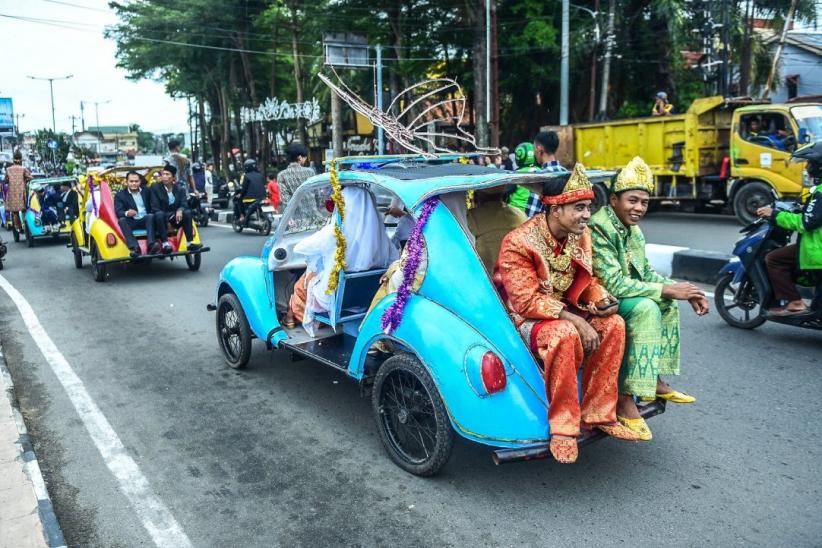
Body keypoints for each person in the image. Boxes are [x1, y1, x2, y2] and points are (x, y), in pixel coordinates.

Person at [496, 163, 641, 464]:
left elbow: (589, 281)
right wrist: (574, 319)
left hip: (568, 311)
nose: (587, 215)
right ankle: (563, 427)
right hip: (527, 320)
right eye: (579, 208)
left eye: (588, 207)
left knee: (614, 323)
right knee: (564, 333)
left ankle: (599, 412)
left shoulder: (580, 235)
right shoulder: (518, 242)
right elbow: (525, 301)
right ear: (554, 208)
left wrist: (599, 299)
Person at [589, 157, 706, 440]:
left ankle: (652, 379)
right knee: (645, 307)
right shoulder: (599, 227)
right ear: (614, 199)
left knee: (665, 301)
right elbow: (613, 282)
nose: (639, 208)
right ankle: (625, 399)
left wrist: (685, 290)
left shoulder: (634, 230)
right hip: (597, 298)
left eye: (644, 202)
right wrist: (667, 290)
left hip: (619, 294)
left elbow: (646, 273)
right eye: (632, 200)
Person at [285, 186, 397, 334]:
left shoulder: (335, 232)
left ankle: (290, 317)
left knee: (302, 282)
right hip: (367, 298)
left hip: (336, 299)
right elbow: (394, 258)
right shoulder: (380, 236)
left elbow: (300, 248)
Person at [756, 166, 822, 315]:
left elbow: (805, 223)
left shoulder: (821, 192)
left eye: (810, 164)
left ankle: (795, 302)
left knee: (774, 259)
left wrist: (775, 215)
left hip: (817, 249)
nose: (807, 168)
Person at [467, 186, 527, 275]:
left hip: (487, 279)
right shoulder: (520, 215)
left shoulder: (471, 217)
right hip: (517, 276)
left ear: (477, 197)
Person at [150, 164, 201, 253]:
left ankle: (189, 243)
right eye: (163, 174)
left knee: (187, 212)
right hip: (160, 218)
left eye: (167, 174)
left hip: (175, 217)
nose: (164, 177)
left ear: (173, 178)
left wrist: (180, 210)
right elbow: (155, 207)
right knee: (159, 214)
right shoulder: (155, 187)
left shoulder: (180, 189)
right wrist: (167, 221)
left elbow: (184, 204)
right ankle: (165, 244)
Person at [115, 171, 158, 257]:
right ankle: (134, 247)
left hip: (146, 220)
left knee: (150, 216)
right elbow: (119, 212)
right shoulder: (120, 195)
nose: (134, 183)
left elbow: (154, 204)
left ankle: (151, 245)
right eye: (131, 181)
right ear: (126, 182)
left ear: (140, 182)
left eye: (136, 181)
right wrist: (127, 213)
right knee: (122, 220)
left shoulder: (147, 191)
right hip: (132, 221)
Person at [506, 142, 544, 218]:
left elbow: (507, 192)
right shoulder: (541, 171)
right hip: (535, 212)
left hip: (516, 213)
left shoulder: (516, 174)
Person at [277, 143, 316, 208]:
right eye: (305, 157)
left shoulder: (281, 175)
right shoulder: (310, 172)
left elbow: (285, 199)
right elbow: (317, 194)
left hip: (294, 216)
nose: (305, 160)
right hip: (313, 214)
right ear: (300, 158)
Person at [5, 151, 31, 233]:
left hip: (12, 194)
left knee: (15, 213)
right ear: (21, 159)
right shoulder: (23, 169)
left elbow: (6, 180)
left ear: (13, 159)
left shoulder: (8, 169)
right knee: (24, 210)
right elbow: (30, 177)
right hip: (22, 193)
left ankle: (19, 228)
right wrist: (24, 180)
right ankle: (26, 225)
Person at [236, 159, 266, 226]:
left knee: (239, 200)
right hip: (262, 197)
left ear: (246, 167)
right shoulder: (260, 175)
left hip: (250, 198)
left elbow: (243, 188)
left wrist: (240, 194)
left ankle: (242, 216)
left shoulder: (245, 176)